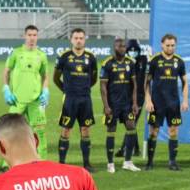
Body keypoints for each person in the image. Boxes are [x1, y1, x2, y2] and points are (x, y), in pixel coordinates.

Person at [3, 25, 50, 165]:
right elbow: (6, 71)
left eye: (34, 35)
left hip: (36, 100)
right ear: (25, 36)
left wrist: (46, 91)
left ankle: (41, 161)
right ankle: (7, 163)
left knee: (40, 132)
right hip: (17, 100)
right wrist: (6, 89)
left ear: (37, 36)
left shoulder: (41, 55)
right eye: (29, 35)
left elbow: (45, 75)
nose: (32, 38)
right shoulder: (16, 53)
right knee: (11, 132)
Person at [54, 28, 97, 171]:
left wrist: (83, 88)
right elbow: (56, 78)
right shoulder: (64, 56)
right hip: (70, 100)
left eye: (81, 38)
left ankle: (87, 163)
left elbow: (94, 78)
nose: (78, 40)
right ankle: (61, 163)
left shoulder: (91, 57)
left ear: (84, 40)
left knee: (85, 130)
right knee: (66, 130)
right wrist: (66, 90)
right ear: (71, 39)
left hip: (85, 99)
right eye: (76, 38)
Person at [145, 33, 188, 171]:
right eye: (168, 45)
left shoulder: (179, 61)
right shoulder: (154, 60)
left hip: (173, 103)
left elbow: (185, 82)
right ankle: (150, 162)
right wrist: (148, 100)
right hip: (157, 103)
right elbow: (146, 82)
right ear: (162, 45)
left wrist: (185, 100)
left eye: (173, 45)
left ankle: (172, 162)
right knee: (153, 132)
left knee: (174, 131)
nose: (170, 48)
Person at [99, 38, 141, 173]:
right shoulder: (107, 63)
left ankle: (128, 162)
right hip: (112, 104)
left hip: (127, 104)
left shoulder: (131, 63)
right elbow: (103, 86)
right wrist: (106, 106)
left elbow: (134, 85)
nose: (122, 48)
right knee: (111, 130)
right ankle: (110, 163)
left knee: (131, 127)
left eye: (124, 46)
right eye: (119, 46)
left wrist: (135, 103)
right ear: (114, 47)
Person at [115, 39, 147, 159]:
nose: (133, 52)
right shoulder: (125, 62)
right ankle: (136, 148)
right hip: (126, 97)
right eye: (131, 50)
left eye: (135, 50)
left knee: (131, 123)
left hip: (138, 97)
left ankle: (123, 149)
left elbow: (141, 77)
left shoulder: (142, 60)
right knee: (130, 123)